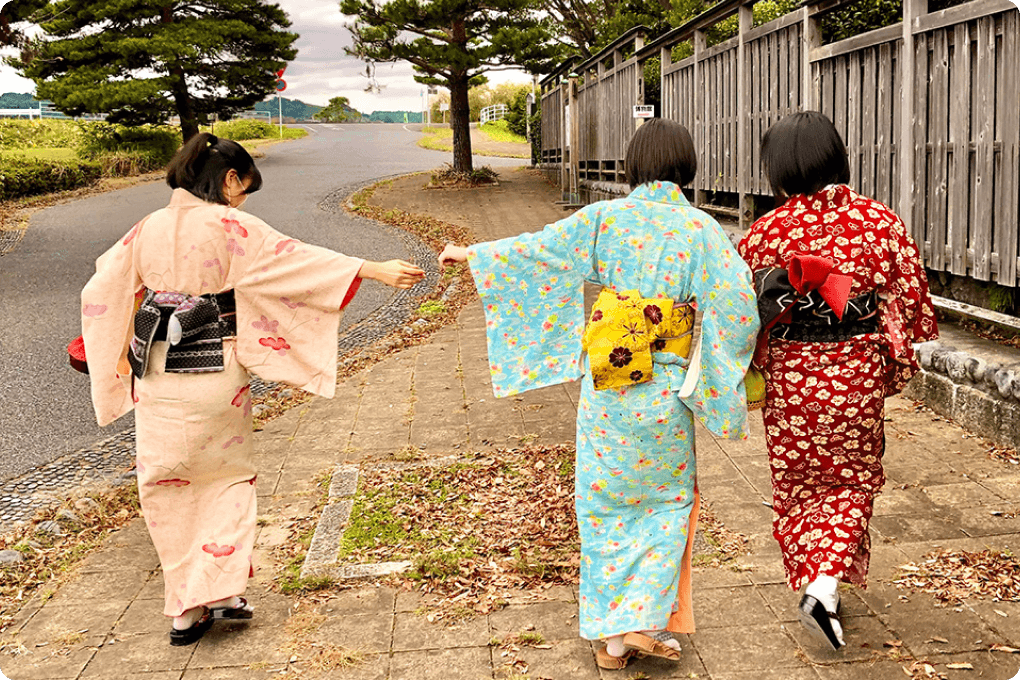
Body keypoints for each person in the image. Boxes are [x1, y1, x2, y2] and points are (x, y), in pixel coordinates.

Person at [439, 119, 759, 671]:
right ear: (687, 168)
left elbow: (539, 252)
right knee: (666, 503)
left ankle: (613, 641)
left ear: (634, 166)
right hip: (665, 394)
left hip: (609, 387)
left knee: (607, 502)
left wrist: (473, 254)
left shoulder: (603, 218)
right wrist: (712, 381)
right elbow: (738, 308)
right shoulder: (701, 229)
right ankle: (641, 624)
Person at [80, 132, 424, 645]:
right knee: (225, 479)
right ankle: (221, 591)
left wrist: (117, 351)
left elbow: (101, 287)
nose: (243, 198)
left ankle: (185, 610)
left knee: (166, 484)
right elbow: (296, 261)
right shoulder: (232, 225)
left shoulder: (147, 226)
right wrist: (369, 268)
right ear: (229, 179)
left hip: (154, 372)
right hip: (213, 372)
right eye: (244, 187)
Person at [737, 111, 937, 651]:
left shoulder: (764, 233)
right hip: (854, 373)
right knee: (852, 478)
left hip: (792, 377)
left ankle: (815, 581)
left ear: (778, 170)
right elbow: (912, 299)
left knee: (798, 480)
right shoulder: (879, 221)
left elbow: (741, 309)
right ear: (838, 158)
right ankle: (823, 588)